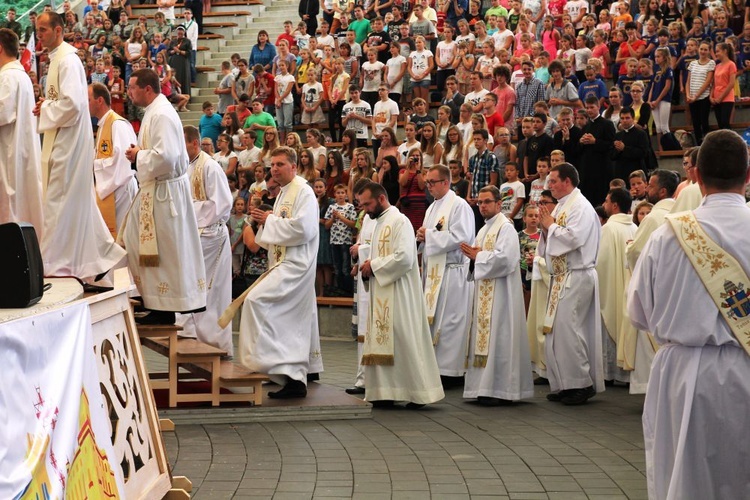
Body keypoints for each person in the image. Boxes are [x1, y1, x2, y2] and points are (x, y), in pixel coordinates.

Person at [628, 129, 750, 500]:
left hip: (683, 375)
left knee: (686, 478)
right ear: (748, 175)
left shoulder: (666, 236)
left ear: (694, 175)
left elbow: (639, 313)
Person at [34, 12, 126, 282]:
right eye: (37, 30)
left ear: (59, 30)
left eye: (43, 30)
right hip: (63, 138)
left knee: (58, 202)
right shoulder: (57, 59)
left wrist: (46, 108)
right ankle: (101, 257)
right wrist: (47, 107)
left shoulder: (68, 60)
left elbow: (74, 105)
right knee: (75, 202)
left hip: (69, 143)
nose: (39, 35)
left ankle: (54, 264)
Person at [238, 147, 324, 398]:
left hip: (296, 265)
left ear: (294, 167)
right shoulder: (285, 192)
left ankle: (274, 365)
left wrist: (269, 220)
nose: (274, 169)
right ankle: (285, 373)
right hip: (282, 262)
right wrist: (265, 221)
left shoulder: (304, 191)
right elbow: (277, 231)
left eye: (279, 164)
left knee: (257, 301)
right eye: (272, 165)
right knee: (284, 318)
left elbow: (304, 230)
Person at [123, 68, 206, 324]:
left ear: (148, 89)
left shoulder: (161, 114)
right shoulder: (154, 112)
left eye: (132, 87)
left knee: (165, 251)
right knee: (139, 243)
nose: (128, 92)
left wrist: (138, 156)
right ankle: (154, 300)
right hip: (156, 190)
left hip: (165, 192)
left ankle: (165, 308)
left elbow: (167, 157)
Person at [358, 182, 445, 408]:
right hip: (382, 292)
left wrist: (373, 265)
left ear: (381, 199)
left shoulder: (399, 221)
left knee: (404, 339)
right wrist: (367, 265)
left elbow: (405, 258)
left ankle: (418, 393)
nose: (365, 209)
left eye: (367, 203)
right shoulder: (378, 223)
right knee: (388, 340)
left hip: (400, 293)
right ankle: (384, 392)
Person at [460, 185, 534, 405]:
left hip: (502, 295)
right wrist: (474, 259)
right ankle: (483, 387)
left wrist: (478, 256)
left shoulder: (506, 227)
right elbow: (477, 259)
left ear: (498, 204)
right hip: (484, 292)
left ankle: (500, 390)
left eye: (487, 202)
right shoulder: (483, 230)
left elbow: (507, 260)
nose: (482, 206)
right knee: (485, 339)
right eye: (480, 202)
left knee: (500, 338)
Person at [537, 162, 604, 405]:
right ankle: (565, 383)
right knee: (556, 332)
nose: (549, 185)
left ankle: (581, 383)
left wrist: (550, 226)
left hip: (576, 274)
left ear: (567, 181)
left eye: (553, 181)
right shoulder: (565, 204)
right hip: (561, 277)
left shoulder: (581, 207)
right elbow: (553, 236)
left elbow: (575, 238)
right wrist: (547, 229)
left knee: (570, 329)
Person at [176, 125, 234, 355]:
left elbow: (223, 204)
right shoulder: (186, 167)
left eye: (183, 144)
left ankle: (214, 342)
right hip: (194, 234)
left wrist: (187, 211)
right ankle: (189, 330)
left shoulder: (209, 166)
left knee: (212, 291)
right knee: (192, 284)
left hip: (210, 235)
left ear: (194, 143)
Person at [417, 164, 475, 384]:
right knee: (434, 322)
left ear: (446, 182)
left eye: (432, 182)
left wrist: (429, 236)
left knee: (450, 322)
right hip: (433, 274)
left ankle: (452, 372)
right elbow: (428, 237)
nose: (428, 186)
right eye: (427, 183)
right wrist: (422, 237)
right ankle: (435, 367)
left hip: (452, 273)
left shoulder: (459, 206)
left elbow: (462, 238)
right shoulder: (432, 208)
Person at [623, 168, 678, 393]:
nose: (647, 189)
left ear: (662, 190)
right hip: (673, 284)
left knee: (648, 339)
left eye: (651, 186)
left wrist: (628, 247)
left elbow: (637, 252)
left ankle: (649, 386)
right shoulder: (682, 211)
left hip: (653, 284)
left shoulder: (654, 216)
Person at [0, 28, 43, 238]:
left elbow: (3, 112)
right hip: (21, 150)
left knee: (10, 205)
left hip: (9, 153)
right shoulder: (22, 76)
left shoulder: (7, 77)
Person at [88, 82, 138, 237]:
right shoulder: (103, 125)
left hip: (121, 191)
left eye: (88, 99)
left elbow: (123, 161)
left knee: (124, 239)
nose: (85, 104)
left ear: (100, 100)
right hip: (113, 190)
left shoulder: (117, 124)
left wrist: (92, 164)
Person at [597, 188, 635, 384]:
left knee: (608, 321)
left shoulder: (608, 229)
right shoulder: (635, 228)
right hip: (628, 290)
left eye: (606, 201)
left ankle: (609, 372)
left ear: (614, 205)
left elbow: (600, 263)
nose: (603, 205)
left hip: (610, 289)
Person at [578, 95, 616, 205]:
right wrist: (581, 142)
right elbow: (580, 149)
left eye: (591, 107)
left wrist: (595, 141)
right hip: (588, 169)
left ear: (598, 106)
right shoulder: (586, 126)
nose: (589, 110)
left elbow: (611, 145)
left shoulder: (607, 124)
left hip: (602, 169)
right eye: (587, 108)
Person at [611, 106, 650, 180]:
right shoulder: (618, 135)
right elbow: (612, 156)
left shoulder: (641, 134)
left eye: (627, 118)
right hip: (620, 173)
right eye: (622, 118)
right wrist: (617, 150)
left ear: (633, 118)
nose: (624, 120)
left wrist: (624, 149)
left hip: (636, 172)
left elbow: (643, 153)